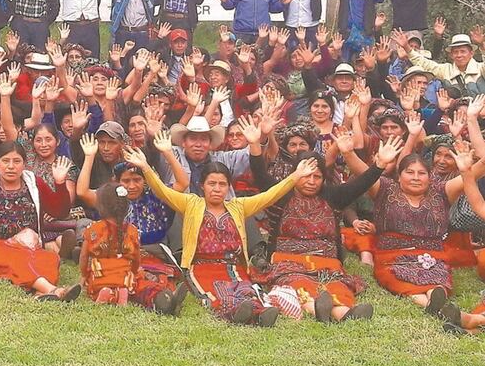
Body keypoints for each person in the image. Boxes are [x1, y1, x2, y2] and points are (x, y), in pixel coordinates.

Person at [127, 144, 317, 326]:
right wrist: (145, 167)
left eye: (222, 184)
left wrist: (296, 176)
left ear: (228, 187)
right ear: (202, 186)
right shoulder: (191, 204)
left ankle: (259, 313)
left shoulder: (238, 206)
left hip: (233, 267)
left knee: (246, 290)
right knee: (218, 294)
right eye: (212, 184)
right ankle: (237, 314)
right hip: (201, 268)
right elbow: (162, 191)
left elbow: (270, 196)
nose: (217, 189)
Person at [342, 137, 485, 333]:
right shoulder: (384, 189)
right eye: (409, 172)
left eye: (421, 173)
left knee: (438, 279)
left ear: (430, 176)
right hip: (393, 255)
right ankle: (429, 304)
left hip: (432, 255)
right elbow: (362, 173)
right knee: (400, 278)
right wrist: (349, 153)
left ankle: (436, 298)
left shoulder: (442, 191)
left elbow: (474, 173)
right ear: (399, 176)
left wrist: (470, 163)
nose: (416, 177)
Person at [250, 130, 389, 322]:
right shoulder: (280, 197)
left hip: (327, 264)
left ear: (324, 179)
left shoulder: (332, 197)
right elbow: (259, 175)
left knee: (336, 286)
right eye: (306, 176)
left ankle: (344, 313)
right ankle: (317, 310)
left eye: (317, 177)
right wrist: (254, 145)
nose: (311, 181)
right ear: (295, 175)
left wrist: (379, 165)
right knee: (297, 284)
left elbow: (360, 184)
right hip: (288, 263)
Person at [0, 142, 81, 301]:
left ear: (24, 164)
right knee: (18, 261)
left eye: (16, 161)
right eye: (5, 161)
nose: (11, 166)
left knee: (50, 259)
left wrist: (59, 183)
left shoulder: (33, 183)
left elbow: (59, 211)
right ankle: (54, 290)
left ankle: (39, 294)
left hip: (29, 245)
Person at [79, 183, 189, 314]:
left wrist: (85, 274)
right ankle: (141, 295)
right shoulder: (132, 231)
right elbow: (136, 258)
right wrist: (137, 271)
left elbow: (84, 257)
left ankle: (106, 293)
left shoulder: (92, 229)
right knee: (136, 284)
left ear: (100, 207)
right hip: (126, 280)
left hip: (100, 278)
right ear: (125, 207)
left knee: (96, 285)